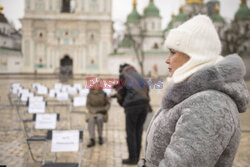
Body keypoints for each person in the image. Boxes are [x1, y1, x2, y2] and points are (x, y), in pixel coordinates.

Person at [138, 15, 249, 167]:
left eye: (173, 52)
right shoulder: (192, 95)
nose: (167, 59)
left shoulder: (210, 104)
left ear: (194, 56)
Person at [112, 63, 150, 165]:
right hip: (144, 105)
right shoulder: (139, 75)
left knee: (131, 132)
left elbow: (120, 92)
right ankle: (136, 156)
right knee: (138, 131)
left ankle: (132, 159)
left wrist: (122, 103)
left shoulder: (123, 74)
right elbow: (147, 90)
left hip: (133, 107)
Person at [86, 82, 110, 147]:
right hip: (92, 111)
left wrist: (105, 109)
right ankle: (92, 138)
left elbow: (108, 103)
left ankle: (100, 136)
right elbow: (88, 105)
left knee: (100, 119)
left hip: (101, 111)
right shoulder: (89, 94)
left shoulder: (104, 94)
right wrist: (92, 110)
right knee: (91, 120)